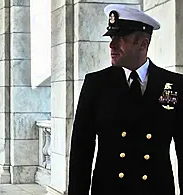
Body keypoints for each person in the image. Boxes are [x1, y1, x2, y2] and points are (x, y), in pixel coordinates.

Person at [68, 4, 183, 195]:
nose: (112, 45)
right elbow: (81, 150)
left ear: (143, 44)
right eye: (112, 37)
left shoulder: (173, 85)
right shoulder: (96, 84)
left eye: (121, 38)